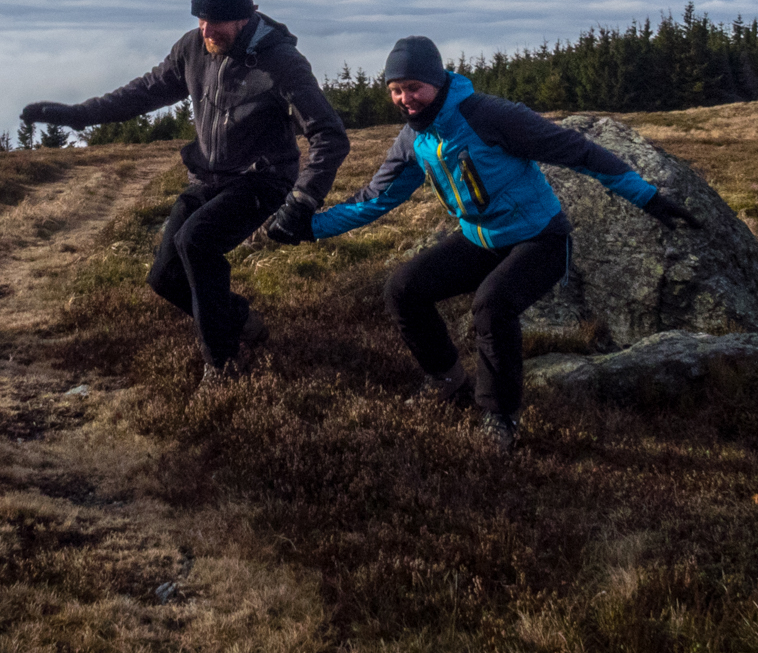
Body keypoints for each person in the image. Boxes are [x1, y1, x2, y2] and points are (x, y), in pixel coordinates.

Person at [260, 34, 704, 450]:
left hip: (541, 239)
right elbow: (375, 199)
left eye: (413, 87)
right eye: (395, 90)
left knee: (492, 305)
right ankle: (447, 381)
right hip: (480, 239)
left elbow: (578, 151)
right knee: (403, 289)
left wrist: (649, 198)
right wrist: (310, 228)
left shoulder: (490, 116)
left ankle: (501, 416)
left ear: (436, 81)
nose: (404, 99)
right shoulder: (414, 138)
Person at [22, 0, 349, 383]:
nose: (206, 28)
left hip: (263, 180)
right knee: (164, 278)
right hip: (209, 178)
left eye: (216, 20)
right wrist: (78, 115)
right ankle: (242, 320)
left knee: (197, 243)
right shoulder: (193, 48)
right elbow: (144, 92)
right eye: (200, 18)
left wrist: (303, 200)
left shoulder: (281, 61)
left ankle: (223, 365)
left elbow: (329, 136)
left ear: (245, 16)